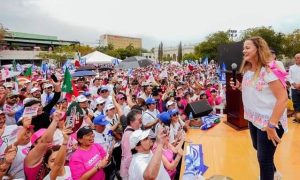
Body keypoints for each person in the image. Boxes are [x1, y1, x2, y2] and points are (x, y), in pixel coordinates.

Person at [231, 36, 288, 180]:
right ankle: (275, 173)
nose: (244, 51)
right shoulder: (248, 70)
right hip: (254, 119)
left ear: (259, 49)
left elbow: (283, 98)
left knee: (264, 160)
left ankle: (270, 174)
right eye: (244, 48)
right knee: (259, 149)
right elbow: (255, 91)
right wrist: (239, 87)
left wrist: (271, 125)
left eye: (247, 47)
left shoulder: (269, 70)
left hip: (270, 122)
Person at [120, 109, 142, 180]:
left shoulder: (134, 131)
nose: (141, 122)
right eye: (139, 120)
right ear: (131, 122)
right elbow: (128, 158)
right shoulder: (129, 135)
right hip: (129, 173)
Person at [288, 53, 300, 123]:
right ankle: (297, 118)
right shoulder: (291, 67)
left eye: (298, 57)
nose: (296, 59)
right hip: (294, 89)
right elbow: (289, 77)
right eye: (295, 58)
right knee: (296, 104)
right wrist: (295, 85)